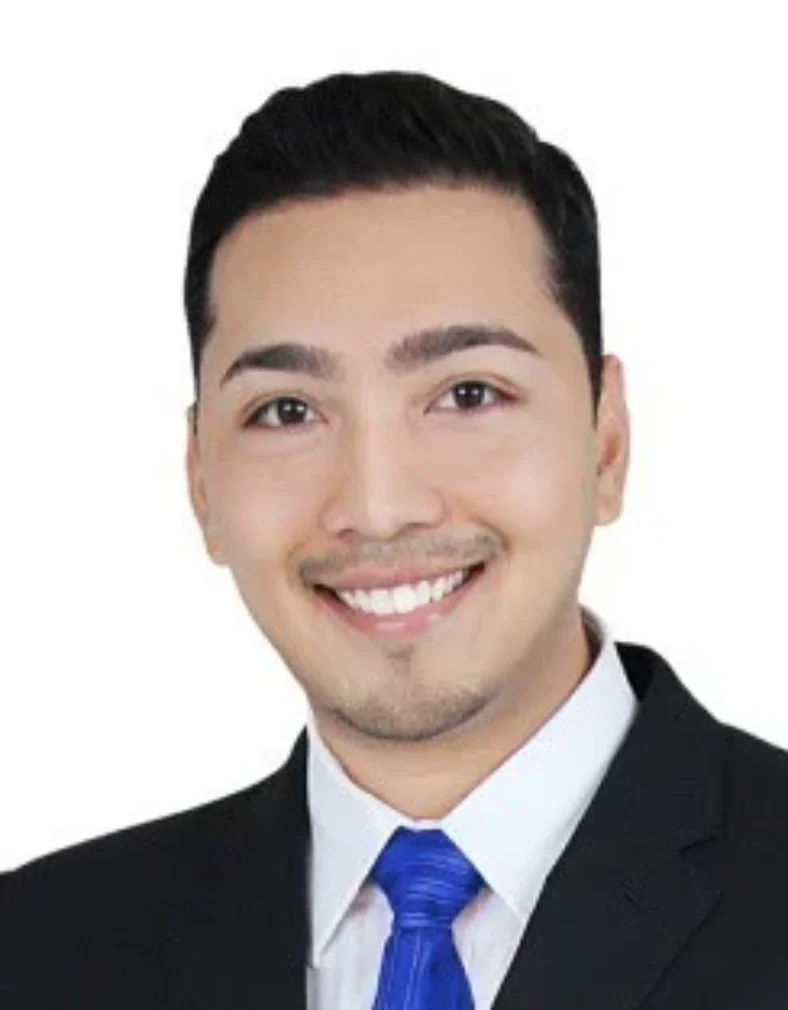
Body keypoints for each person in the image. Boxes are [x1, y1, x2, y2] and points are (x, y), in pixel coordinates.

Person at [2, 70, 787, 1010]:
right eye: (286, 411)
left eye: (468, 394)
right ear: (201, 480)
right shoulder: (36, 950)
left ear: (606, 442)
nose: (378, 508)